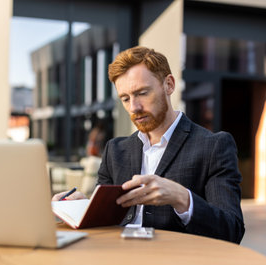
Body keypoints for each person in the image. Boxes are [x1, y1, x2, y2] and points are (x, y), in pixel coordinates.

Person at [52, 46, 245, 244]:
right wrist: (84, 207)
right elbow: (107, 219)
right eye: (125, 99)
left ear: (169, 85)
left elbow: (232, 230)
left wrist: (182, 198)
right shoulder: (115, 150)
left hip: (176, 264)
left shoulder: (213, 146)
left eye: (142, 93)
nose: (134, 107)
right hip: (117, 258)